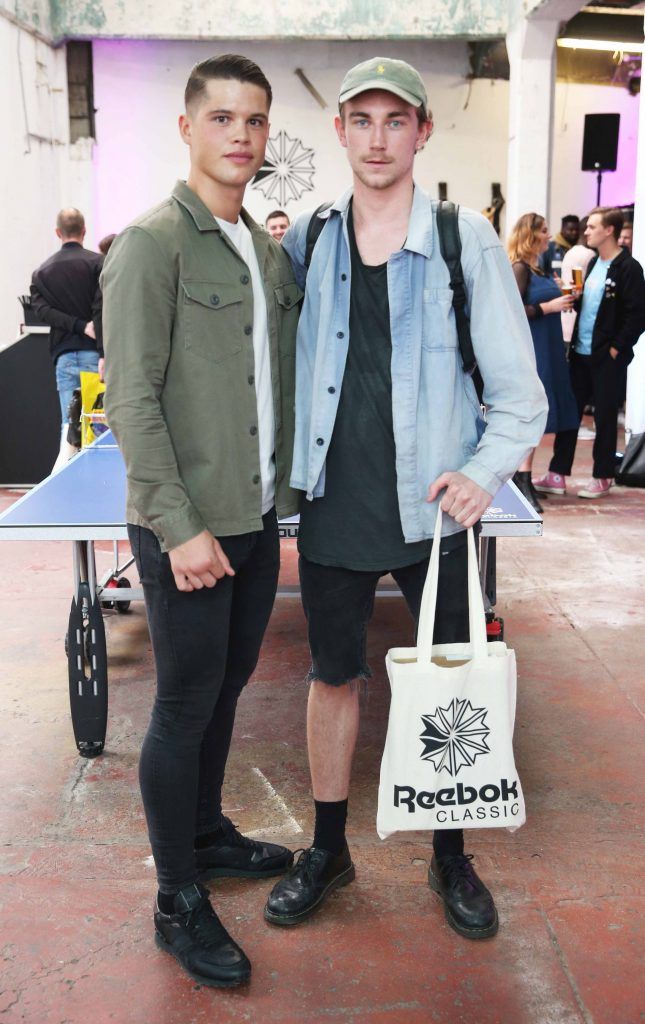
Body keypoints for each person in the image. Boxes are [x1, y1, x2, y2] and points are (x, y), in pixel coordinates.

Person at [264, 57, 547, 940]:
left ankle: (449, 853)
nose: (378, 138)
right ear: (340, 132)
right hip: (335, 504)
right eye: (361, 121)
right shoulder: (307, 240)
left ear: (422, 132)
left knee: (449, 680)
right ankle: (326, 849)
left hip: (435, 512)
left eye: (396, 121)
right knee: (331, 677)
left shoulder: (465, 242)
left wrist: (483, 469)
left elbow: (519, 393)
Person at [102, 54, 302, 988]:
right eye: (222, 118)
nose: (240, 136)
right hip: (189, 523)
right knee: (183, 703)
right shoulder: (153, 244)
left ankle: (206, 832)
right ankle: (175, 896)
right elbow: (130, 402)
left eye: (254, 121)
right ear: (188, 128)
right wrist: (180, 528)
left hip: (255, 514)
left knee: (224, 688)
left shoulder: (260, 251)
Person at [534, 207, 645, 499]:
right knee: (571, 413)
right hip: (581, 352)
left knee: (605, 417)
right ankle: (557, 473)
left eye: (592, 227)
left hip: (606, 356)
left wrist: (615, 348)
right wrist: (574, 298)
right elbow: (595, 305)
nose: (586, 231)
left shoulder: (629, 268)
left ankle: (603, 475)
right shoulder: (594, 262)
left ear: (609, 231)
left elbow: (637, 316)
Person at [507, 213, 579, 512]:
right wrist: (548, 306)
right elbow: (512, 310)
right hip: (533, 349)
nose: (550, 236)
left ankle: (525, 477)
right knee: (532, 411)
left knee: (543, 410)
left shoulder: (541, 268)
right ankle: (521, 479)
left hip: (548, 347)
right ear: (530, 235)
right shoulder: (519, 268)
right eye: (544, 231)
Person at [30, 208, 103, 470]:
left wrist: (74, 325)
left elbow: (42, 312)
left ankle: (67, 480)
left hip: (64, 357)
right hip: (95, 356)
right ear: (84, 231)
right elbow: (101, 306)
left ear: (58, 232)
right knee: (97, 426)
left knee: (68, 427)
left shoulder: (42, 273)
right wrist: (85, 327)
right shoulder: (98, 263)